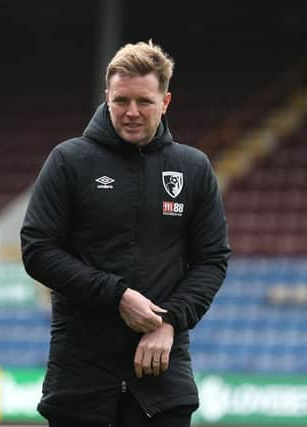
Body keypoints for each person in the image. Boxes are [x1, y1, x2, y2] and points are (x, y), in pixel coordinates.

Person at [20, 40, 230, 427]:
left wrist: (169, 322)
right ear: (106, 97)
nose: (131, 112)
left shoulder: (193, 167)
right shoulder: (69, 160)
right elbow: (37, 249)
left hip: (162, 375)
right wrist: (117, 296)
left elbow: (212, 259)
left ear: (165, 101)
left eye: (144, 102)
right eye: (121, 101)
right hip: (80, 376)